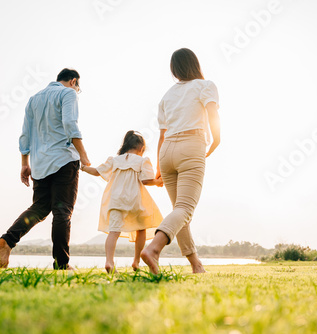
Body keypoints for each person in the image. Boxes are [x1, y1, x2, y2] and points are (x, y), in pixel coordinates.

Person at [0, 68, 90, 270]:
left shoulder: (33, 99)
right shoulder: (68, 93)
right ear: (73, 81)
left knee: (39, 208)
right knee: (63, 212)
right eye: (78, 87)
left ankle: (8, 240)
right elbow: (69, 123)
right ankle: (62, 265)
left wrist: (24, 163)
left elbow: (25, 134)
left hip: (39, 163)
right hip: (64, 160)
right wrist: (83, 155)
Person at [141, 48, 221, 274]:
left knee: (180, 211)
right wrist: (216, 140)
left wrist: (159, 167)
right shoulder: (206, 86)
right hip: (191, 145)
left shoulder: (167, 96)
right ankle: (154, 249)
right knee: (185, 209)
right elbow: (213, 114)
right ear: (195, 64)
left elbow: (162, 134)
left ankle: (196, 265)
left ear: (174, 69)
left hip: (167, 152)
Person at [81, 131, 163, 273]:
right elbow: (146, 180)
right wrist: (157, 182)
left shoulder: (115, 160)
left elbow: (96, 171)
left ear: (125, 145)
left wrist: (82, 167)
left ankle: (109, 262)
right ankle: (136, 261)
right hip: (135, 200)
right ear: (141, 148)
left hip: (115, 200)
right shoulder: (142, 161)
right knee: (141, 229)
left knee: (114, 232)